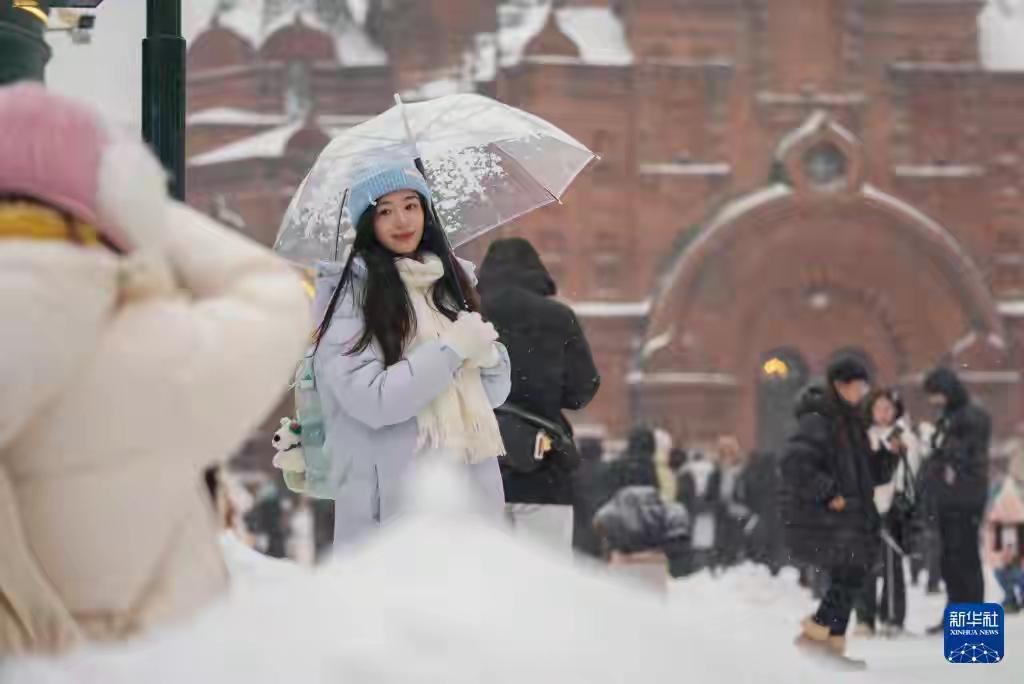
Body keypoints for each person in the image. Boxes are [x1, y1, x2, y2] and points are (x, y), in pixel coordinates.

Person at [0, 84, 310, 654]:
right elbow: (277, 295)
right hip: (146, 662)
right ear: (117, 198)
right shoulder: (158, 347)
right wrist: (147, 220)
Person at [312, 163, 511, 545]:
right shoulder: (350, 298)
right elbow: (372, 401)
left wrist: (489, 359)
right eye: (385, 211)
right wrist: (451, 351)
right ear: (367, 223)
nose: (402, 220)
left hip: (468, 499)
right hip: (393, 511)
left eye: (411, 205)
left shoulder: (448, 286)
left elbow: (494, 395)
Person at [477, 237, 600, 554]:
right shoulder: (559, 318)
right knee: (545, 572)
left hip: (479, 464)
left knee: (482, 574)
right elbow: (581, 390)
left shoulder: (467, 317)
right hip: (544, 466)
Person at [781, 359, 897, 668]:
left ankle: (830, 646)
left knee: (851, 576)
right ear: (840, 386)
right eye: (857, 386)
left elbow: (867, 474)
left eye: (863, 387)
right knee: (850, 575)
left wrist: (889, 457)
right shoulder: (819, 420)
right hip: (829, 519)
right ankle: (815, 635)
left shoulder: (852, 422)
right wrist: (828, 492)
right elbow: (794, 463)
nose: (862, 393)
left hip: (853, 516)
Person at [921, 367, 991, 634]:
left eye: (935, 395)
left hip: (966, 498)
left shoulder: (972, 417)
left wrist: (940, 446)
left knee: (965, 559)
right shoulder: (949, 417)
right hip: (948, 498)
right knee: (950, 560)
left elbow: (966, 453)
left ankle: (973, 620)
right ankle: (955, 614)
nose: (933, 401)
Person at [854, 389, 921, 638]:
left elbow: (909, 472)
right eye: (878, 408)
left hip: (893, 505)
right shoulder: (862, 436)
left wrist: (898, 500)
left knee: (892, 564)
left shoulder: (905, 437)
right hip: (865, 506)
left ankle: (892, 617)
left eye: (888, 408)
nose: (883, 413)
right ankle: (864, 617)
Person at [677, 450, 720, 573]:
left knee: (693, 535)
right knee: (708, 535)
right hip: (709, 506)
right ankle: (708, 563)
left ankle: (694, 564)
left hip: (691, 506)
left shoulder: (686, 469)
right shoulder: (711, 468)